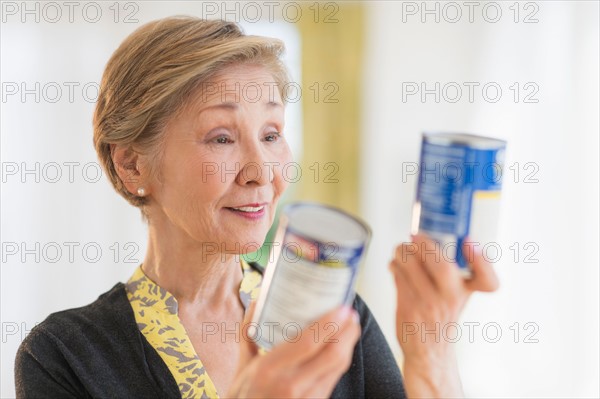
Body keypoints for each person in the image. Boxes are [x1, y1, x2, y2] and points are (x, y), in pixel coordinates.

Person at [14, 17, 498, 398]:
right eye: (221, 138)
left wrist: (430, 352)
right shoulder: (64, 355)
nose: (262, 171)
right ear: (133, 166)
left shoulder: (338, 317)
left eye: (271, 134)